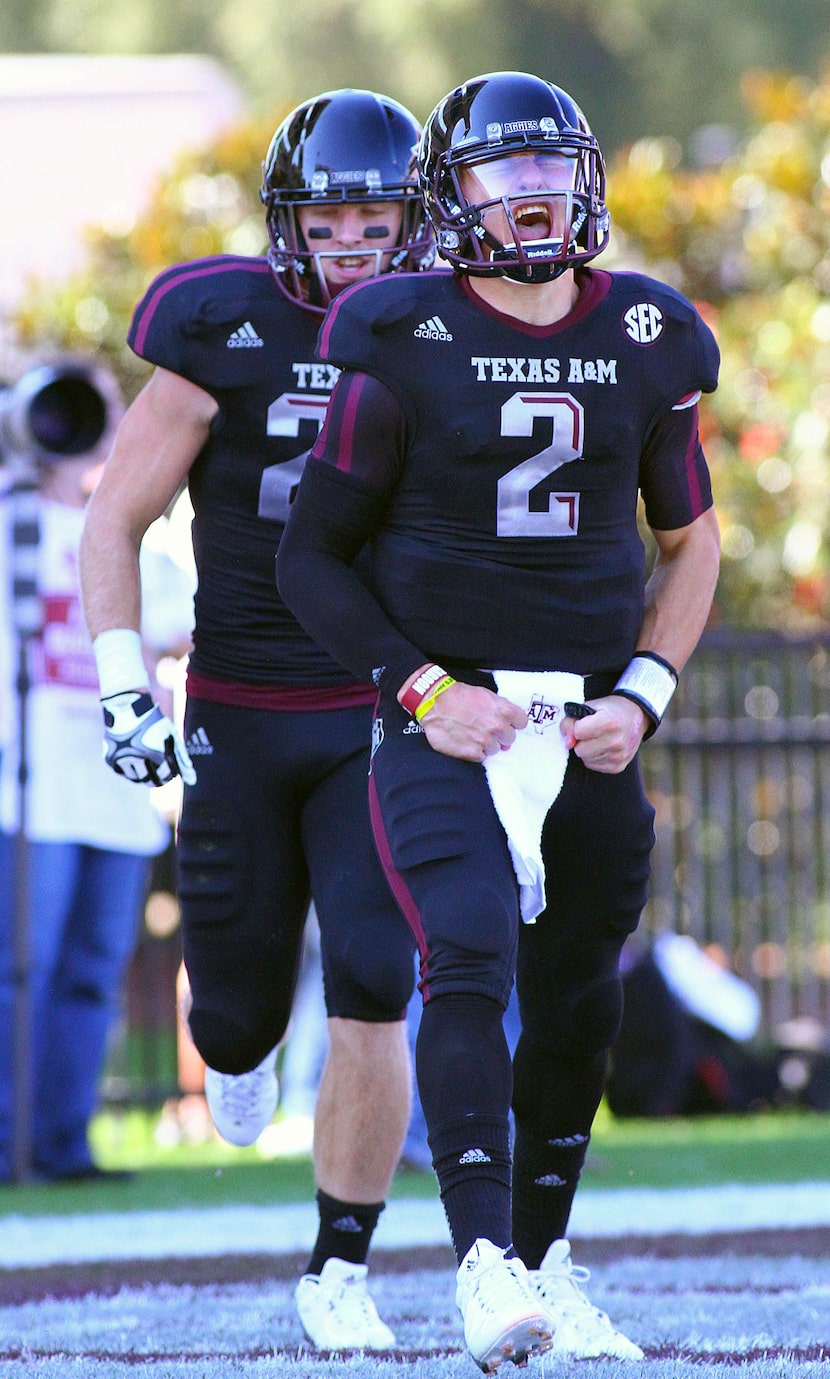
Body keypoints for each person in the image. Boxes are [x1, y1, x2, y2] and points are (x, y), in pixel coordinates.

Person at [277, 70, 721, 1372]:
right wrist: (421, 689)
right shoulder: (397, 331)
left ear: (582, 175)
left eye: (546, 166)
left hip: (585, 714)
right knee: (462, 947)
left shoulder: (648, 331)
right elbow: (314, 557)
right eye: (497, 170)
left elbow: (687, 541)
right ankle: (478, 1263)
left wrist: (643, 690)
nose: (527, 192)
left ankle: (542, 1256)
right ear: (450, 195)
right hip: (446, 708)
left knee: (580, 995)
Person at [79, 88, 433, 1349]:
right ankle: (240, 1050)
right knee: (229, 1017)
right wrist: (126, 678)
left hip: (381, 705)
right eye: (328, 210)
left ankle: (339, 1265)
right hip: (235, 700)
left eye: (374, 209)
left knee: (378, 983)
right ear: (289, 218)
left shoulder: (451, 327)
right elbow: (113, 516)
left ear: (417, 214)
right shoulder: (218, 322)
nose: (349, 234)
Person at [0, 436, 194, 1183]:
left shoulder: (143, 547)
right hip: (32, 796)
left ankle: (62, 1145)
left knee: (90, 975)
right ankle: (9, 1143)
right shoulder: (15, 523)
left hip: (119, 797)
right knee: (24, 972)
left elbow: (181, 638)